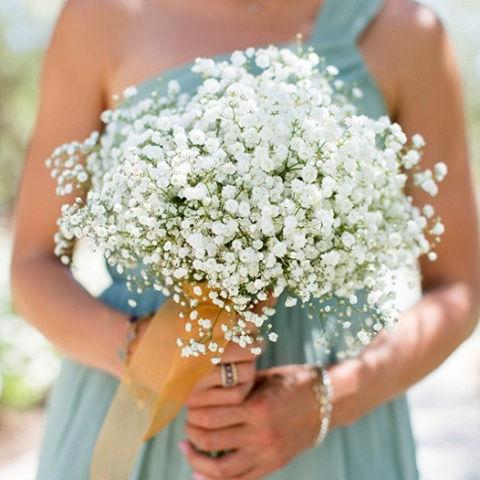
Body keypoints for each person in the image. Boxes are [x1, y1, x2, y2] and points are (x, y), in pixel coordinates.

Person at [10, 0, 480, 478]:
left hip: (326, 432)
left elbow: (459, 288)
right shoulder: (102, 16)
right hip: (134, 406)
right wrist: (140, 352)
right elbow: (32, 265)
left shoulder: (404, 31)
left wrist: (332, 398)